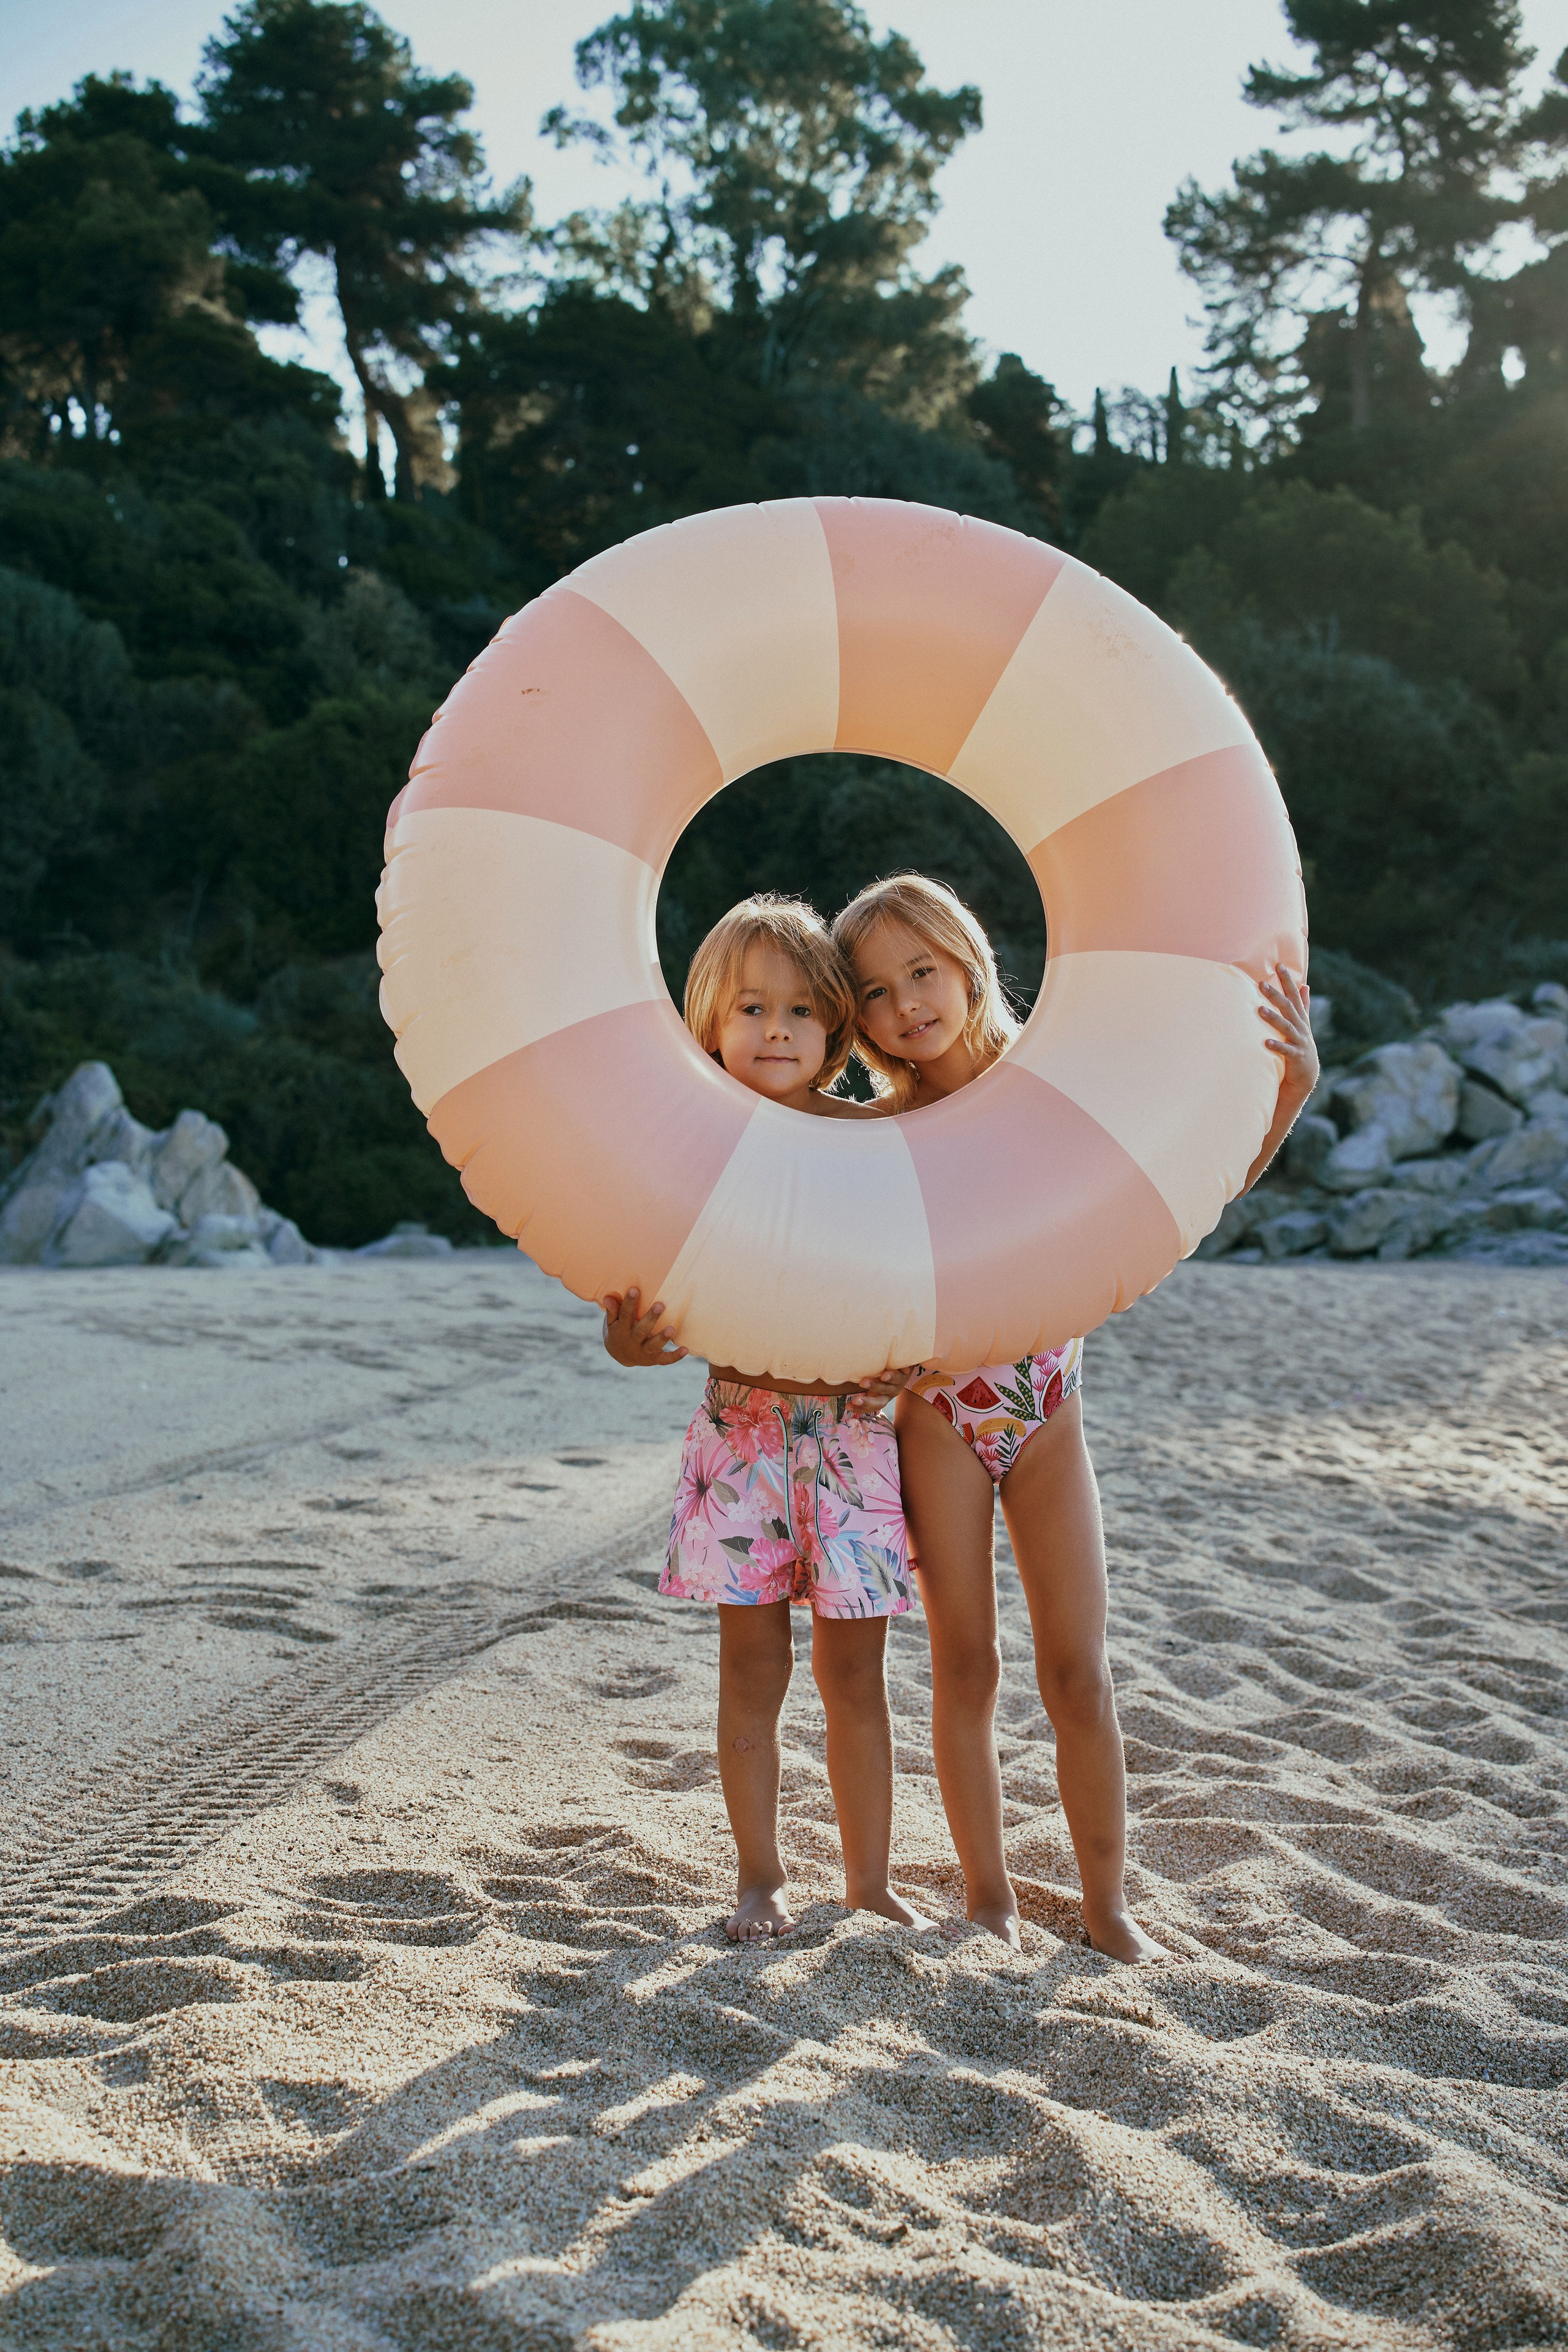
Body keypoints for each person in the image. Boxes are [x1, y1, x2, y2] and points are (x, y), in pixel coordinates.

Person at [834, 873, 1319, 1960]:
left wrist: (1290, 1088)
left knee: (1078, 1670)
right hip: (938, 1417)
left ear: (966, 961)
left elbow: (1194, 1186)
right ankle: (991, 1898)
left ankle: (1108, 1908)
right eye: (875, 992)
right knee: (966, 1666)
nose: (908, 1003)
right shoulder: (878, 1135)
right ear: (857, 1018)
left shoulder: (1051, 1084)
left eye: (923, 971)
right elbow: (855, 1280)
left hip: (1049, 1409)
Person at [601, 895, 932, 1945]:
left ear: (835, 1030)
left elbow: (927, 1278)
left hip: (852, 1441)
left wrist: (916, 1359)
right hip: (738, 1436)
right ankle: (759, 1877)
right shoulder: (683, 1144)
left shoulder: (877, 1142)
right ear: (710, 1025)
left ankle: (868, 1878)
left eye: (800, 1010)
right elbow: (634, 1300)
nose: (777, 1029)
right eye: (752, 1008)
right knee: (752, 1669)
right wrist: (627, 1342)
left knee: (853, 1676)